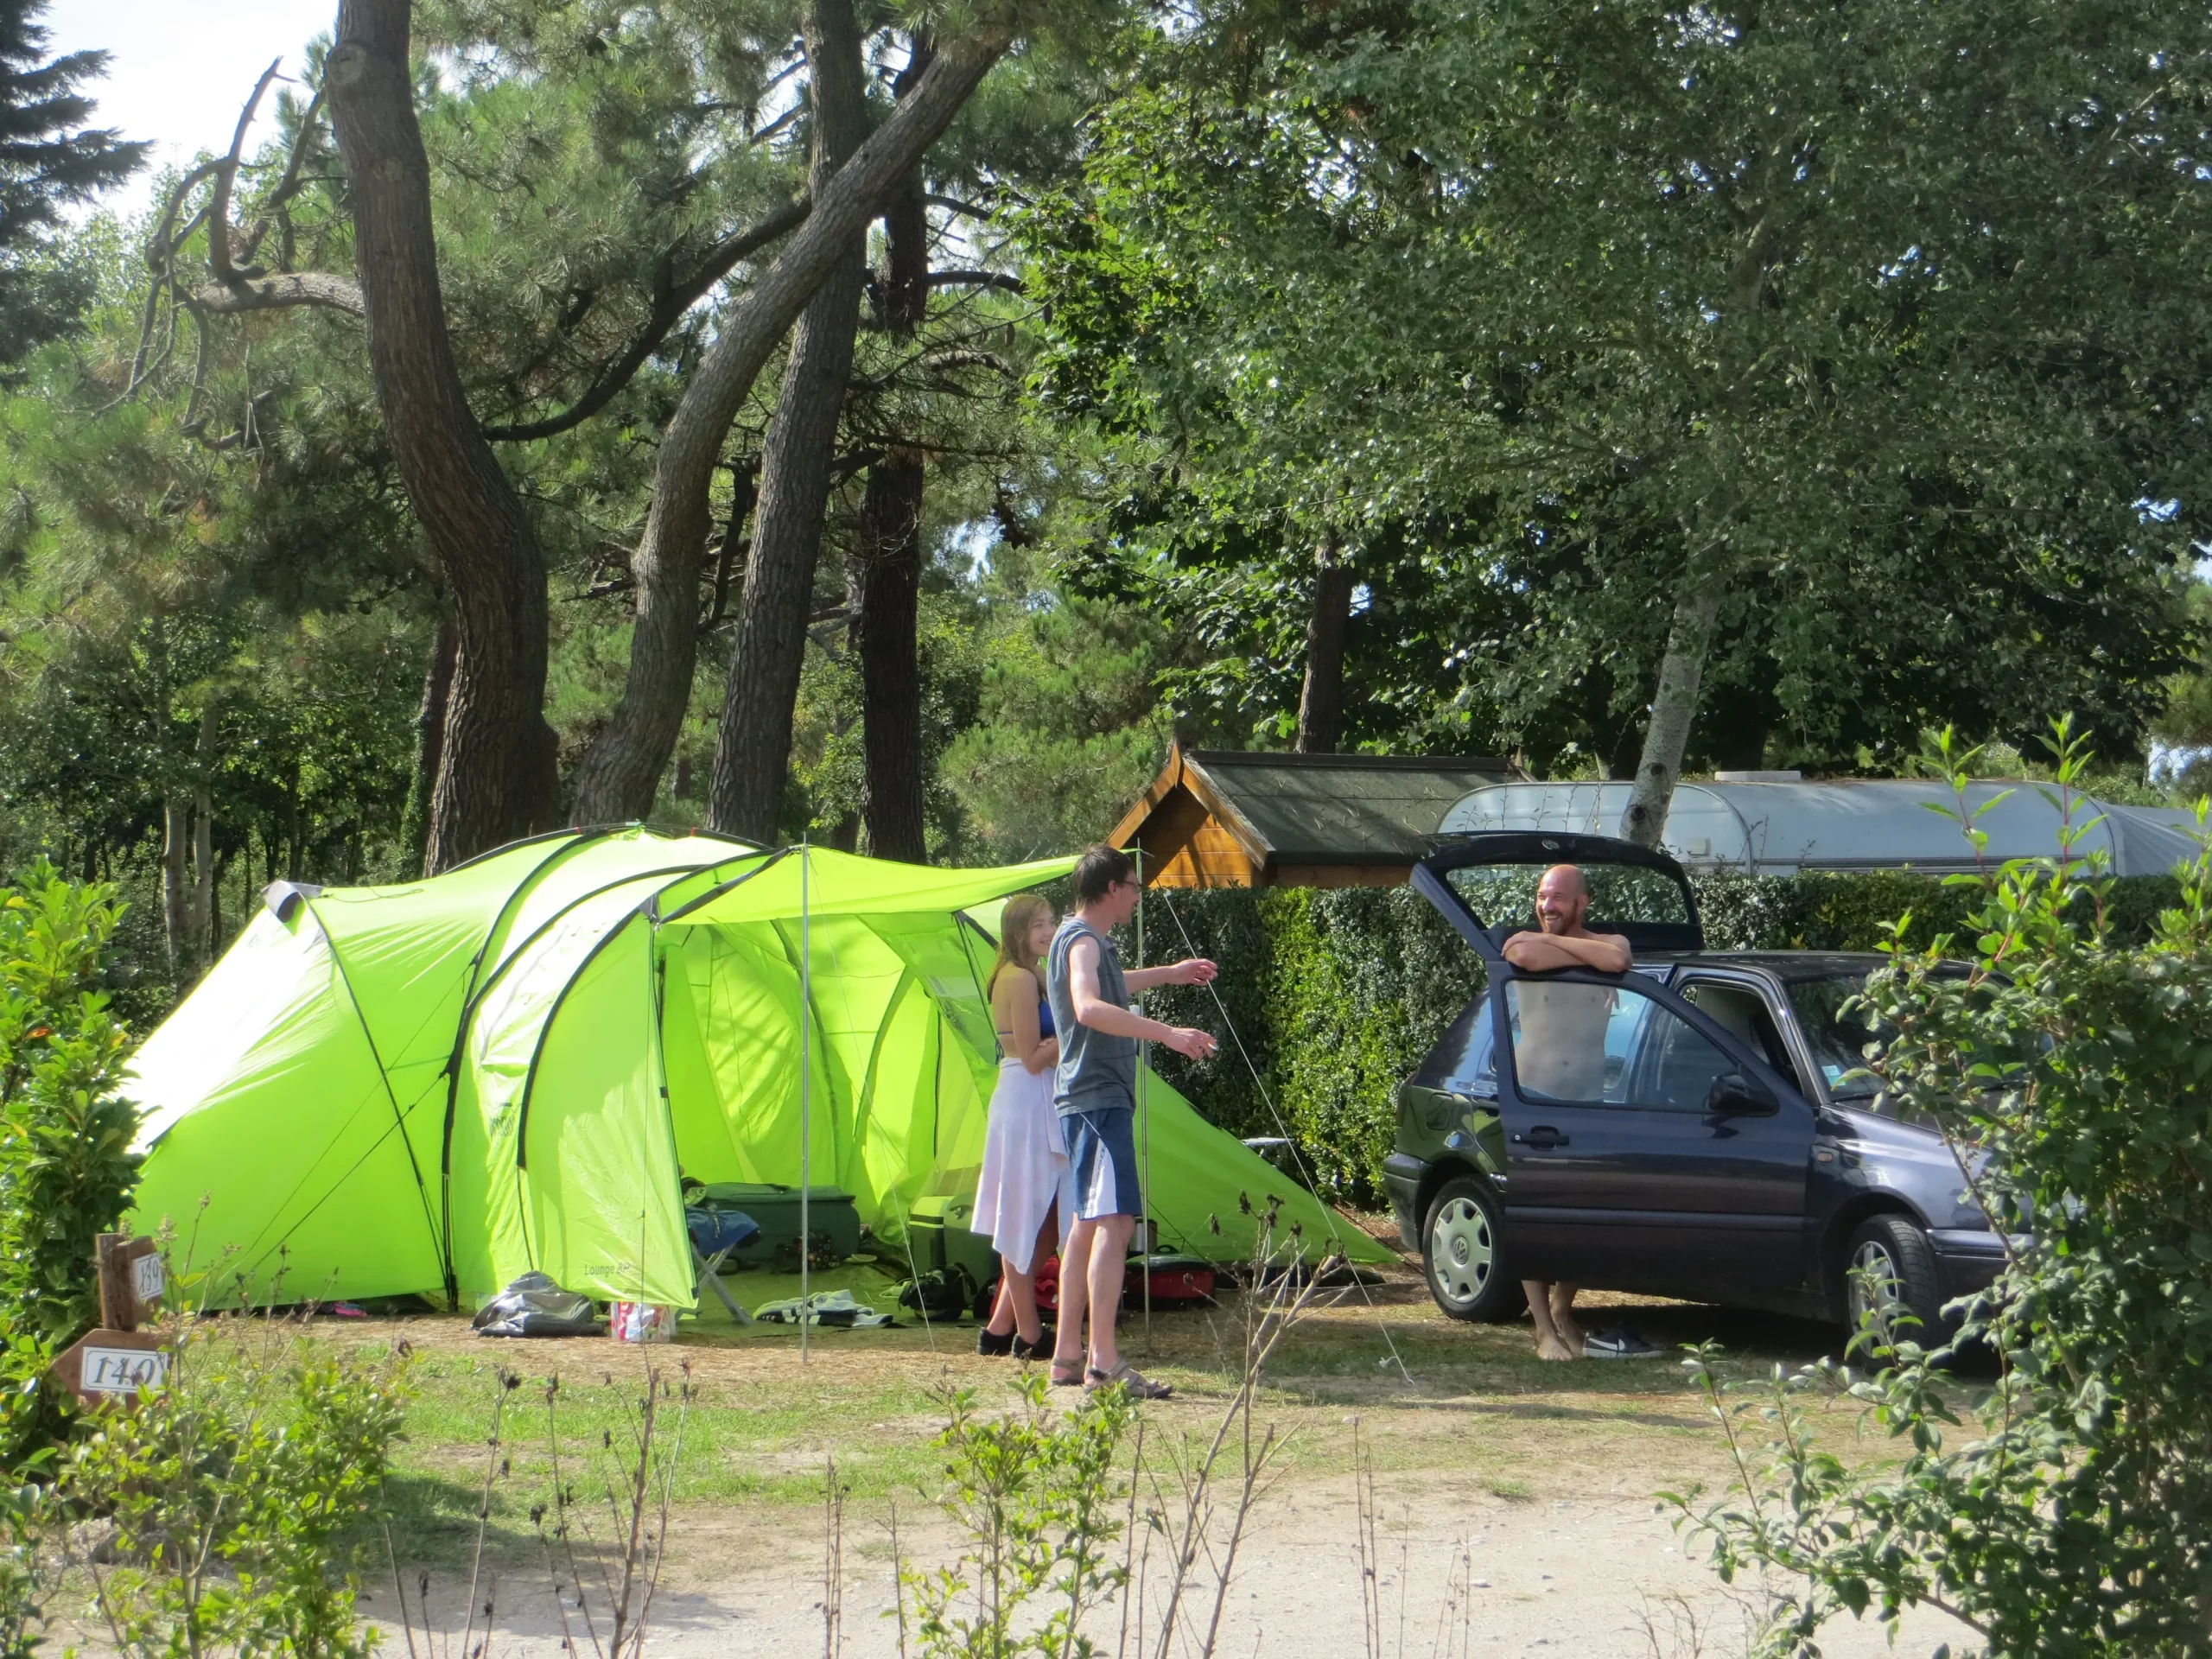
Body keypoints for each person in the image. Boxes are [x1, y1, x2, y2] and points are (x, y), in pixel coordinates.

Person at [1046, 844, 1218, 1399]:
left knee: (1085, 1226)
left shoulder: (1083, 940)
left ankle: (1066, 1358)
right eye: (1134, 887)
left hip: (1086, 1100)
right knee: (1118, 1224)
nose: (1138, 897)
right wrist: (1169, 1035)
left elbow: (1112, 985)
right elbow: (1089, 1006)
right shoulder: (1082, 941)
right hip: (1098, 1101)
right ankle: (1103, 1364)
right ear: (1113, 889)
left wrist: (1171, 974)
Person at [1501, 863, 1630, 1361]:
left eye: (1557, 898)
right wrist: (1580, 950)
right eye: (1541, 896)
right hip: (1535, 1098)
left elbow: (1617, 958)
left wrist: (1569, 946)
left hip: (1589, 1100)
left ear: (1582, 903)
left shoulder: (1610, 942)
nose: (1547, 906)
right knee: (1537, 1216)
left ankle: (1562, 1311)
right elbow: (1524, 956)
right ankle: (1543, 1331)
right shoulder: (1523, 942)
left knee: (1583, 1216)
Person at [972, 893, 1071, 1360]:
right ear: (1017, 931)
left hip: (1042, 1099)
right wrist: (1076, 1032)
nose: (1048, 932)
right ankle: (1029, 1335)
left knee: (1048, 1223)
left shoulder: (1036, 973)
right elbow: (1032, 1058)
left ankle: (998, 1327)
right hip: (1025, 1099)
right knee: (1021, 1218)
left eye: (1050, 922)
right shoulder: (1017, 978)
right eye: (1038, 925)